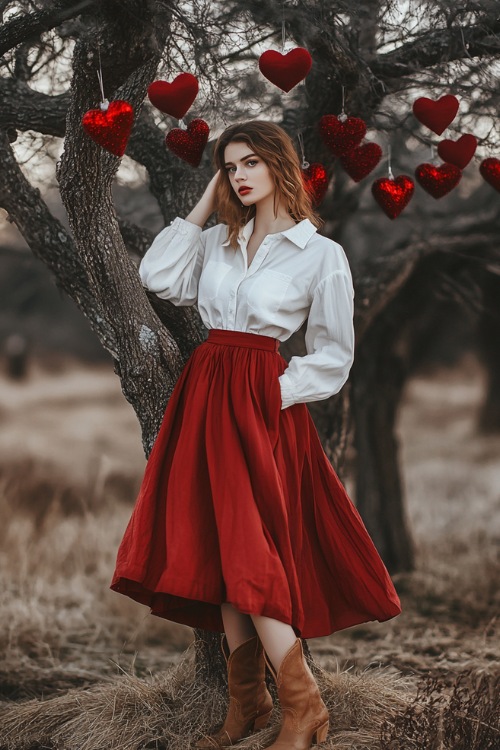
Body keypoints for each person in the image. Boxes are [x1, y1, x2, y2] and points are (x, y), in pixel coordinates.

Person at [110, 120, 402, 749]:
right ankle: (248, 702)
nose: (237, 175)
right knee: (219, 539)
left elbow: (334, 354)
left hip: (259, 403)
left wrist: (271, 394)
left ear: (278, 166)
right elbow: (158, 277)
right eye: (226, 166)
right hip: (206, 392)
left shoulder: (319, 253)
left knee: (250, 547)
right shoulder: (216, 241)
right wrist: (205, 199)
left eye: (247, 164)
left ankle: (306, 709)